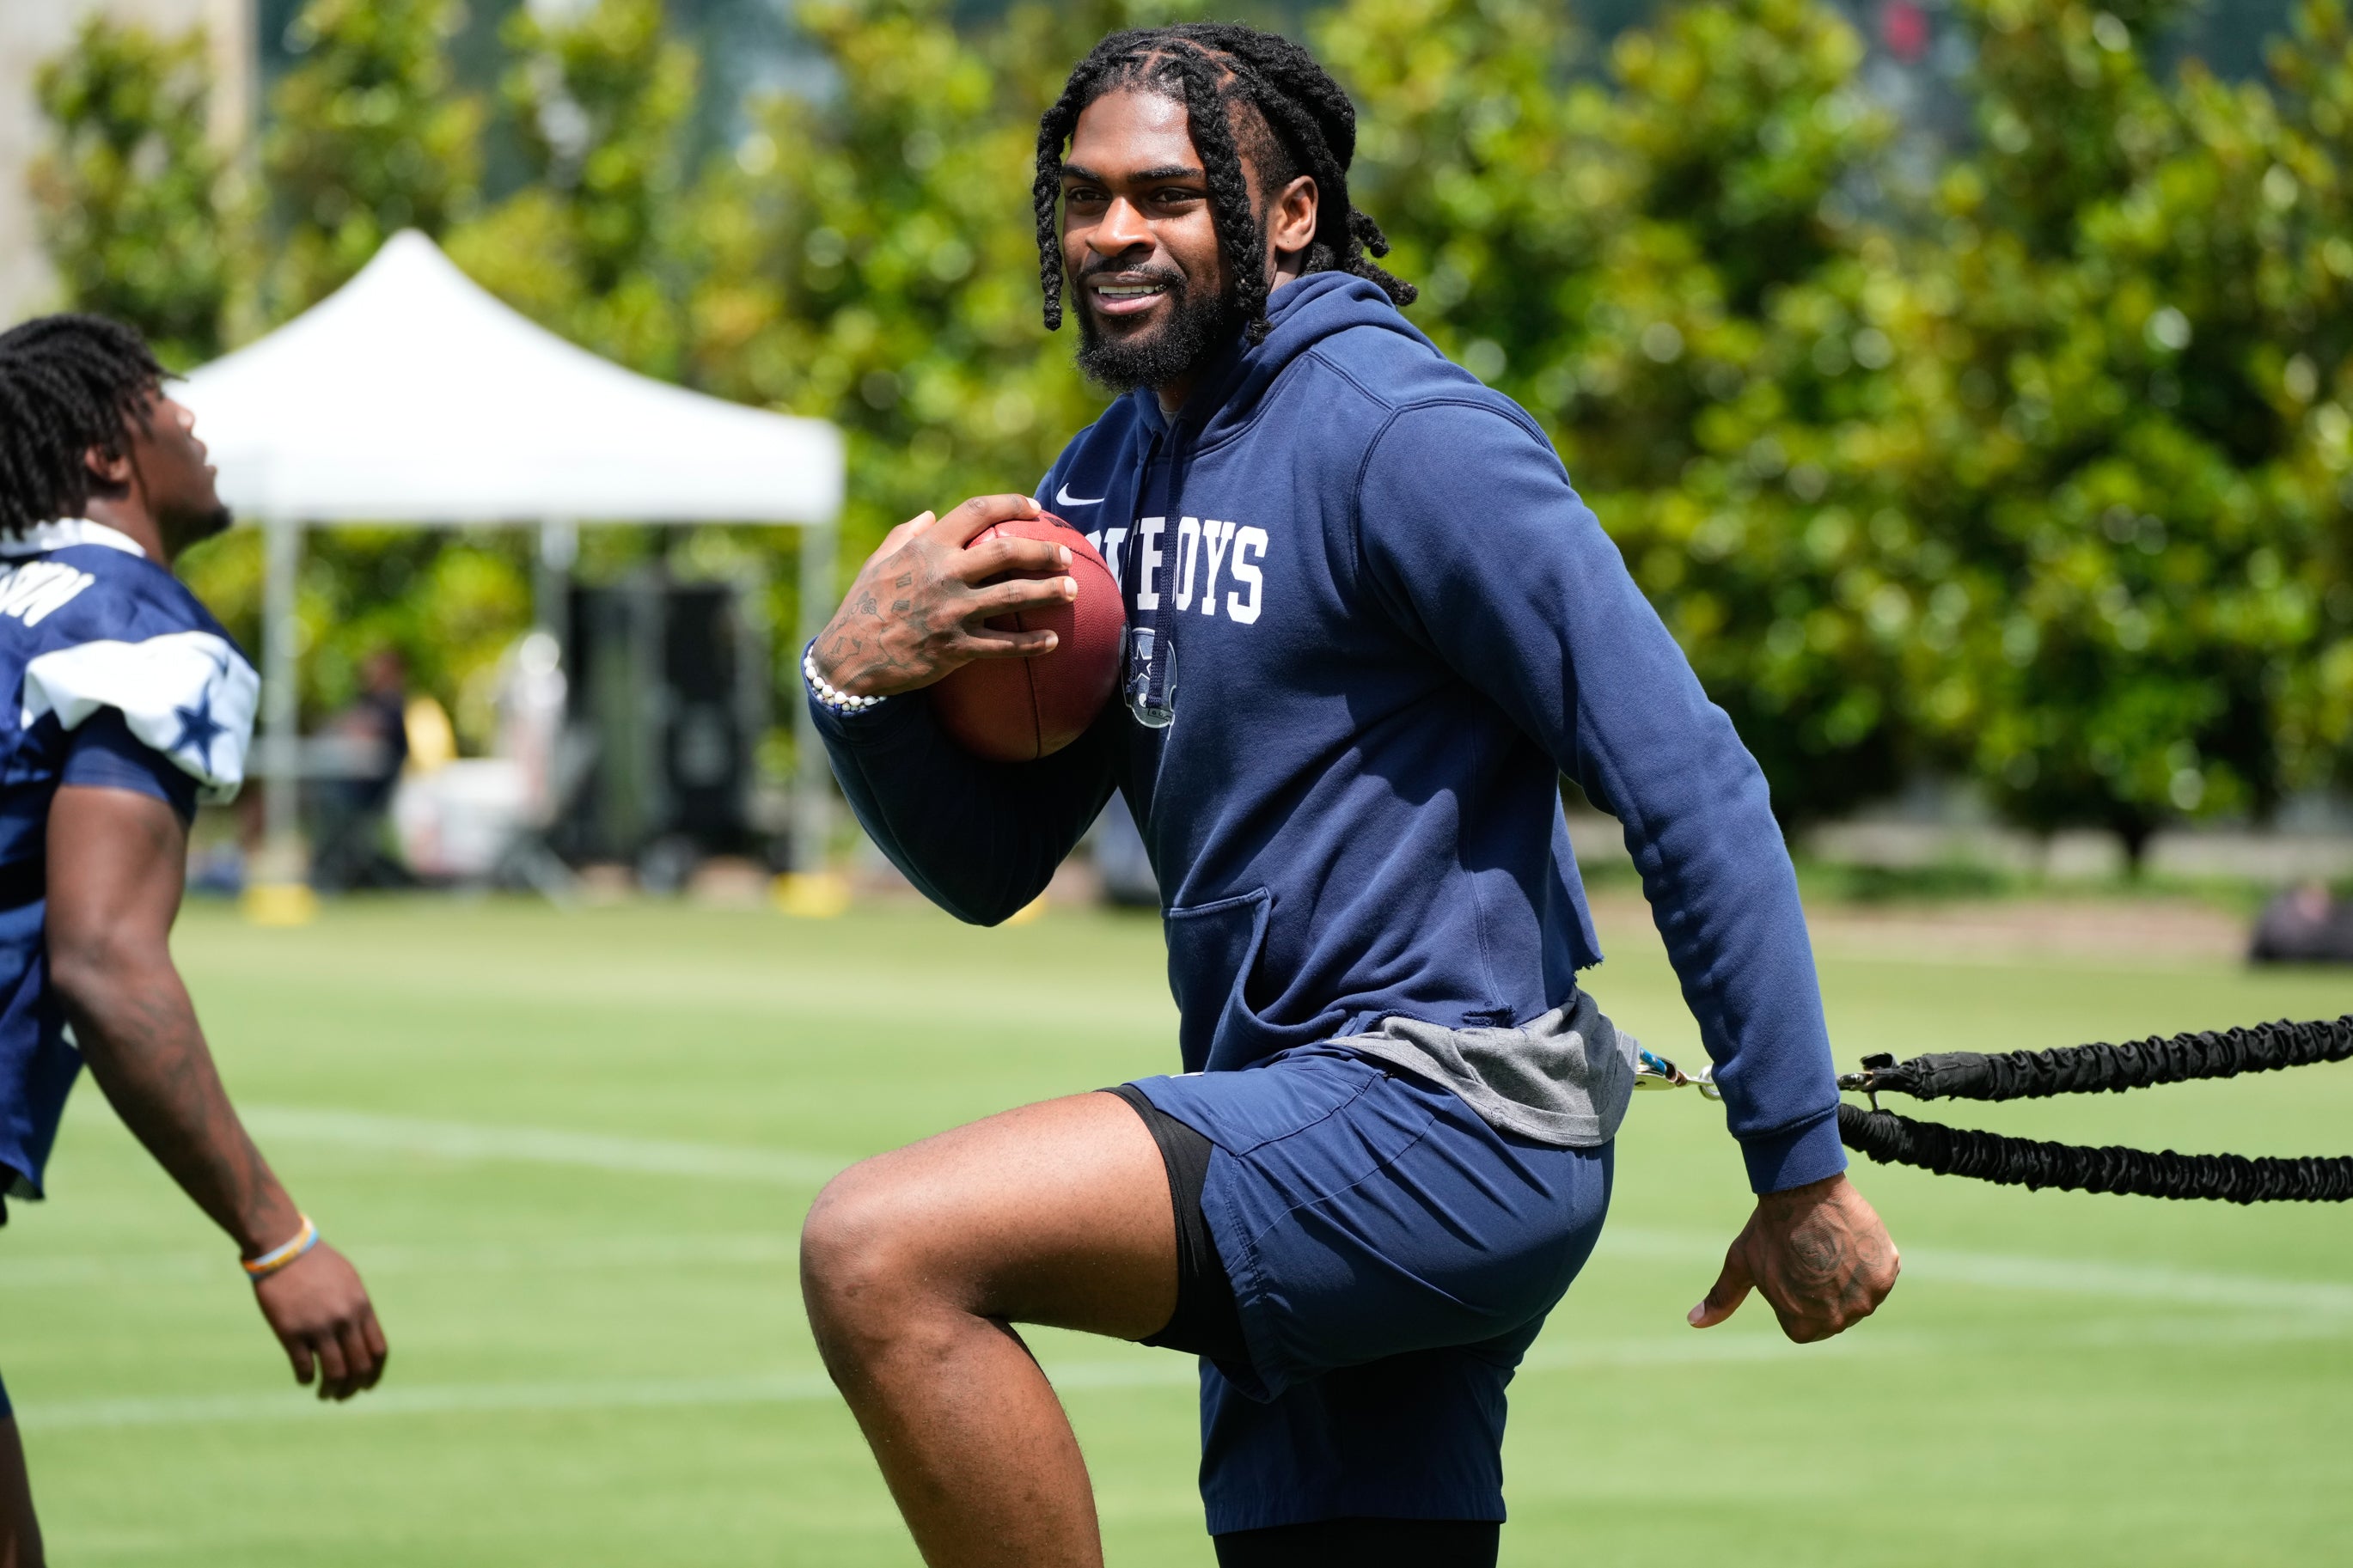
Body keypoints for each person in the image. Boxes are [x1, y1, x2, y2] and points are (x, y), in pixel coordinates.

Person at [798, 25, 1898, 1568]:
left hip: (1451, 1115)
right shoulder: (1097, 483)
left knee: (879, 1248)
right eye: (1084, 196)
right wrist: (855, 689)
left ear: (1290, 213)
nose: (1113, 231)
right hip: (1287, 1115)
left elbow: (1688, 779)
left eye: (1168, 195)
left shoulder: (1405, 434)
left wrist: (1796, 1159)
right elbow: (994, 869)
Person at [0, 314, 387, 1565]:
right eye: (166, 400)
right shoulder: (133, 626)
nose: (195, 422)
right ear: (109, 454)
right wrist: (278, 1236)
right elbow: (105, 960)